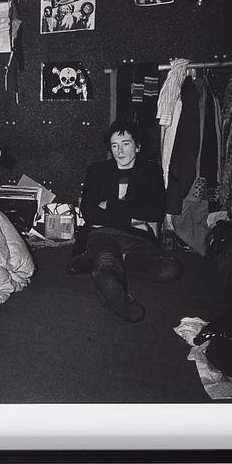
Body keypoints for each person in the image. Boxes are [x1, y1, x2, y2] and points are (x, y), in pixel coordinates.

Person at [68, 121, 182, 322]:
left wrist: (110, 205)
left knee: (170, 270)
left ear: (137, 146)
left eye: (126, 144)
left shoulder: (151, 171)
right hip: (103, 233)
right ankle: (118, 294)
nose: (119, 151)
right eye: (114, 145)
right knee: (107, 261)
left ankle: (104, 264)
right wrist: (133, 219)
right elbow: (89, 212)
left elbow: (155, 212)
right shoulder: (97, 170)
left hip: (138, 238)